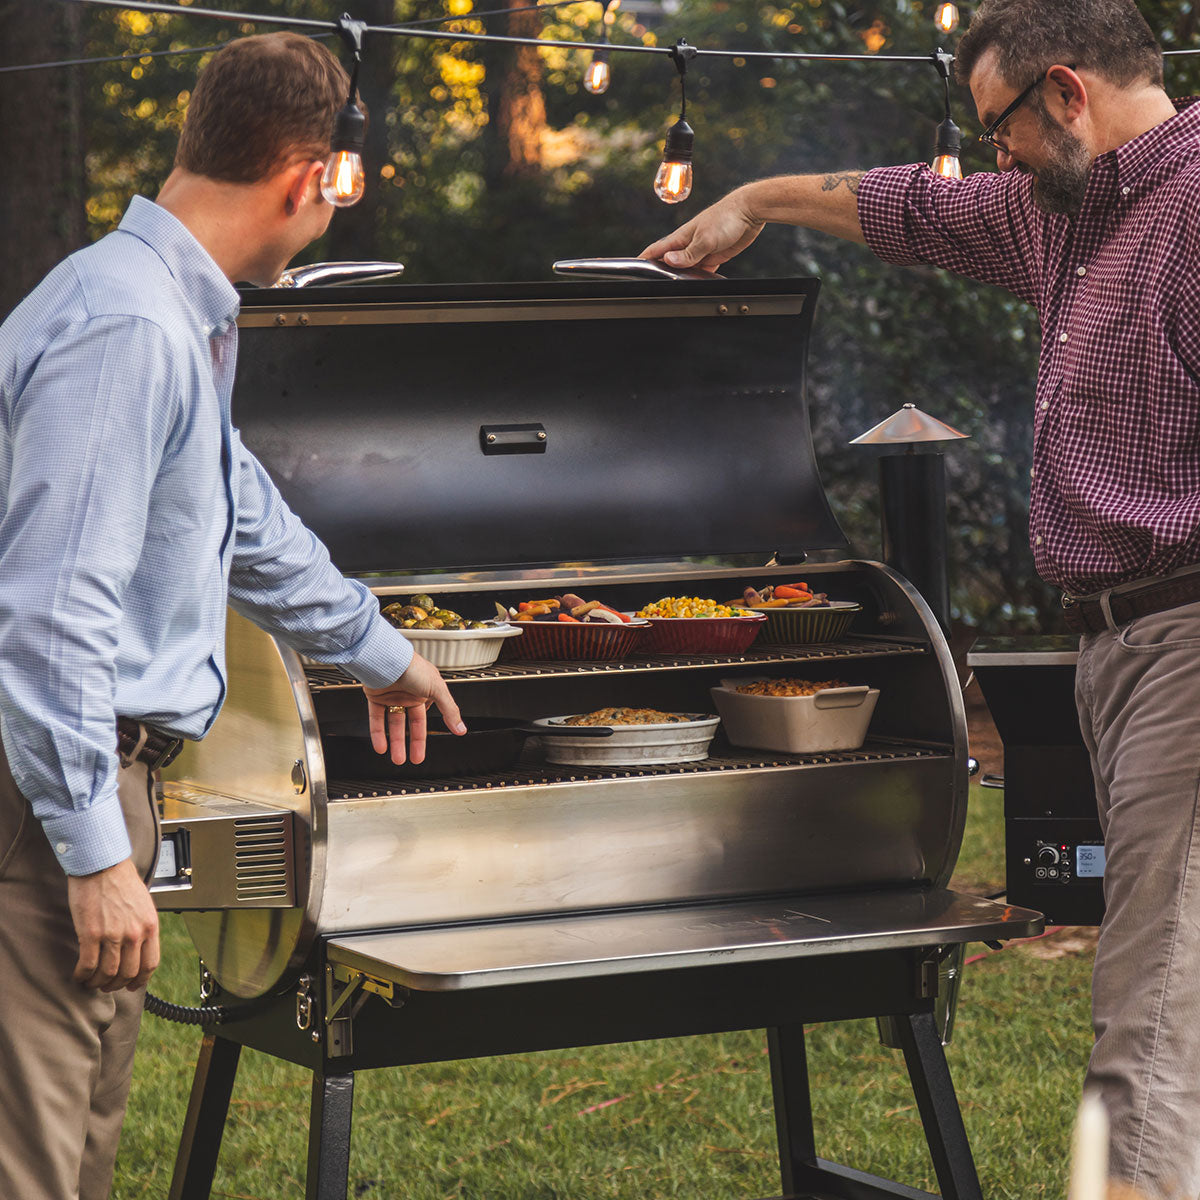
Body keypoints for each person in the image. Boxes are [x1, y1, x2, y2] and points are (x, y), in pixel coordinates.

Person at [643, 1, 1200, 1196]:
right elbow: (902, 204)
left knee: (1149, 1016)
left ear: (1066, 93)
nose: (988, 153)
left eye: (998, 124)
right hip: (1123, 644)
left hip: (1193, 645)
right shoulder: (1064, 215)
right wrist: (756, 201)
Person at [0, 31, 465, 1200]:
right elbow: (52, 614)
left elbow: (235, 515)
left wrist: (379, 651)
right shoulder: (129, 331)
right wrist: (94, 843)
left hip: (99, 779)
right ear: (310, 177)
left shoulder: (162, 306)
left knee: (81, 1149)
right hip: (48, 788)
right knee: (34, 1165)